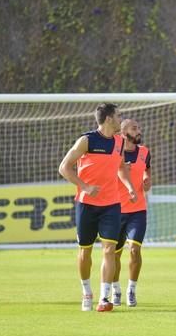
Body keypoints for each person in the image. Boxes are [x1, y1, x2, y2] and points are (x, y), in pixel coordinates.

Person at [58, 103, 137, 312]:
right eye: (119, 116)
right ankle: (86, 292)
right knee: (85, 251)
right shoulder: (87, 140)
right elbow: (64, 167)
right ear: (109, 119)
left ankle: (104, 297)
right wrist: (84, 186)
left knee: (109, 250)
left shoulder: (120, 142)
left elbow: (121, 168)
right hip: (86, 205)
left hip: (112, 205)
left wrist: (129, 186)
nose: (122, 120)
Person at [112, 118, 151, 308]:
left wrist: (147, 179)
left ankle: (131, 290)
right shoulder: (113, 152)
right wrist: (118, 170)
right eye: (134, 128)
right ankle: (116, 289)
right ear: (123, 132)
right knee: (114, 255)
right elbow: (103, 175)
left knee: (135, 250)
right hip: (115, 210)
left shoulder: (144, 152)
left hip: (138, 210)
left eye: (139, 127)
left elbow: (147, 172)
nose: (138, 130)